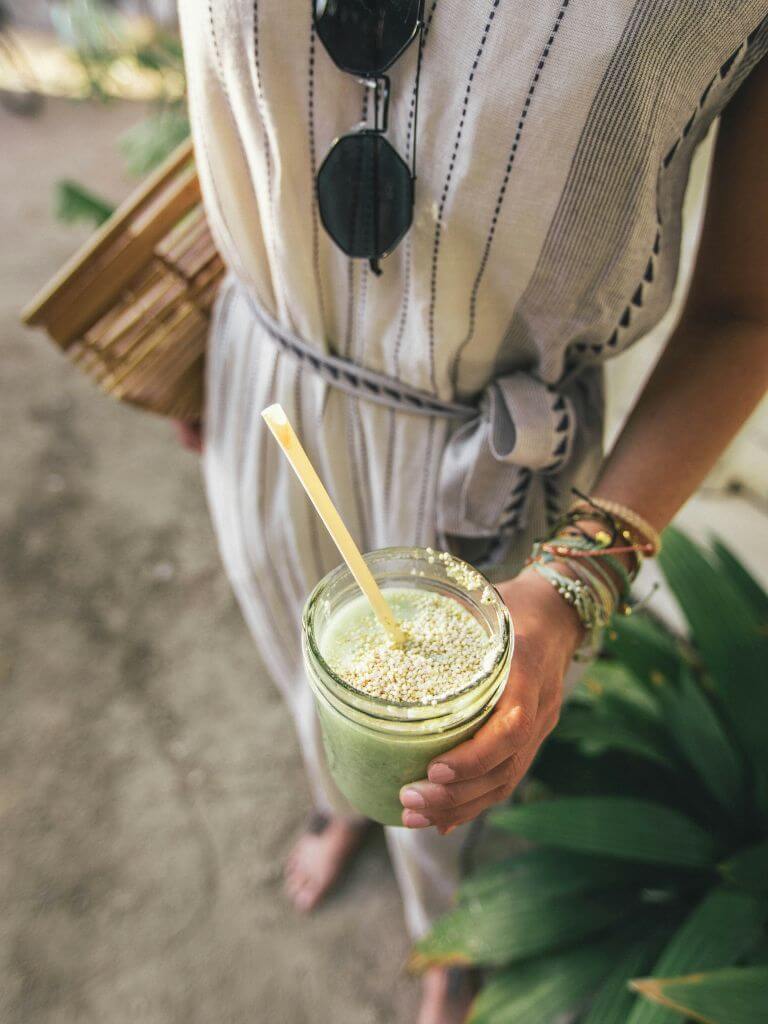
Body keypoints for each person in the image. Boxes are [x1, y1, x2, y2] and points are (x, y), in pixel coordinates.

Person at [174, 3, 768, 1021]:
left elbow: (746, 309)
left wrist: (575, 580)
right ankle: (337, 803)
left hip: (487, 452)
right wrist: (206, 315)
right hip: (265, 388)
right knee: (299, 655)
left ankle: (440, 935)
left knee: (458, 766)